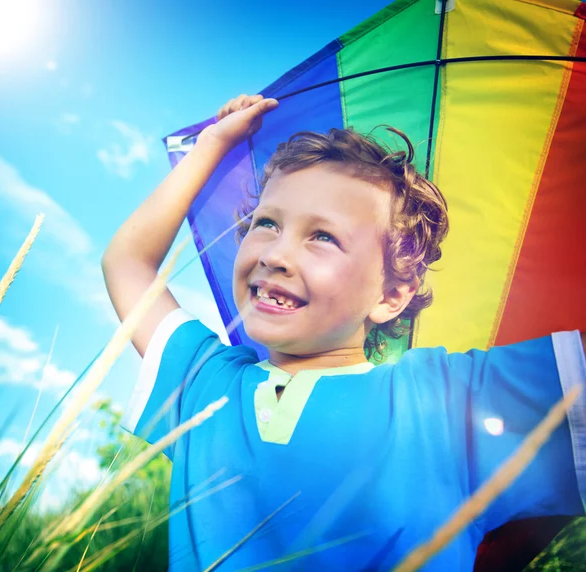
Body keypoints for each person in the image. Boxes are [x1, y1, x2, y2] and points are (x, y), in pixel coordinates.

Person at [102, 94, 585, 571]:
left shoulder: (446, 397)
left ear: (391, 296)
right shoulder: (205, 384)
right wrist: (211, 145)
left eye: (323, 236)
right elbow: (126, 263)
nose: (274, 254)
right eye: (266, 223)